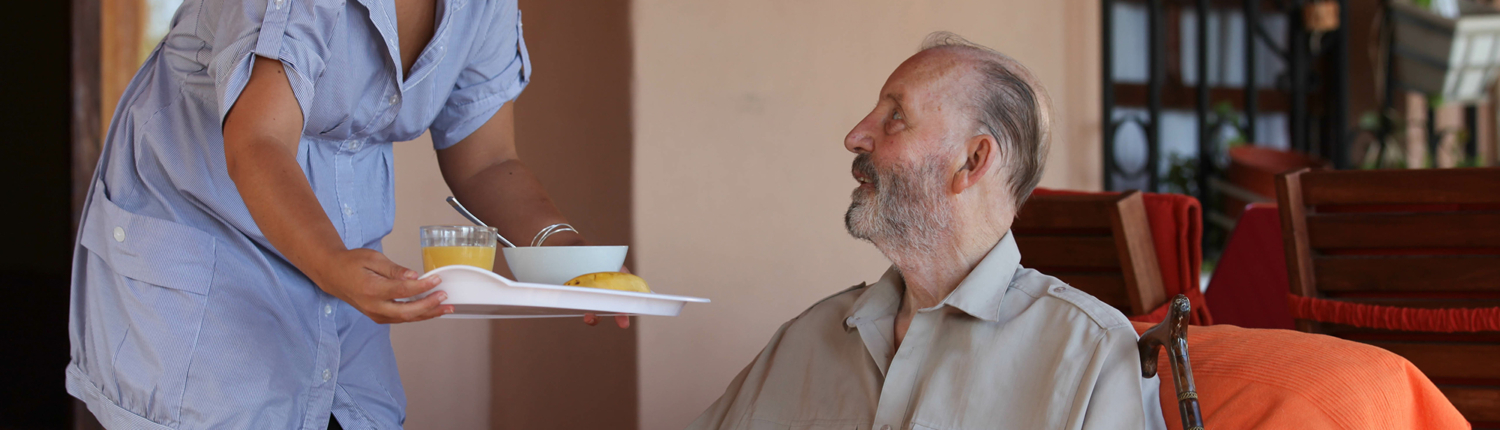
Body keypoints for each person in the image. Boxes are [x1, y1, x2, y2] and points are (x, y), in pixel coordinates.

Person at [67, 0, 621, 428]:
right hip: (207, 251)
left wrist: (559, 253)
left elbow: (488, 161)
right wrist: (331, 263)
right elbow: (257, 139)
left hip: (335, 265)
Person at [688, 33, 1167, 430]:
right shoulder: (807, 337)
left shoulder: (1092, 355)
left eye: (895, 116)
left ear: (973, 161)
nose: (855, 135)